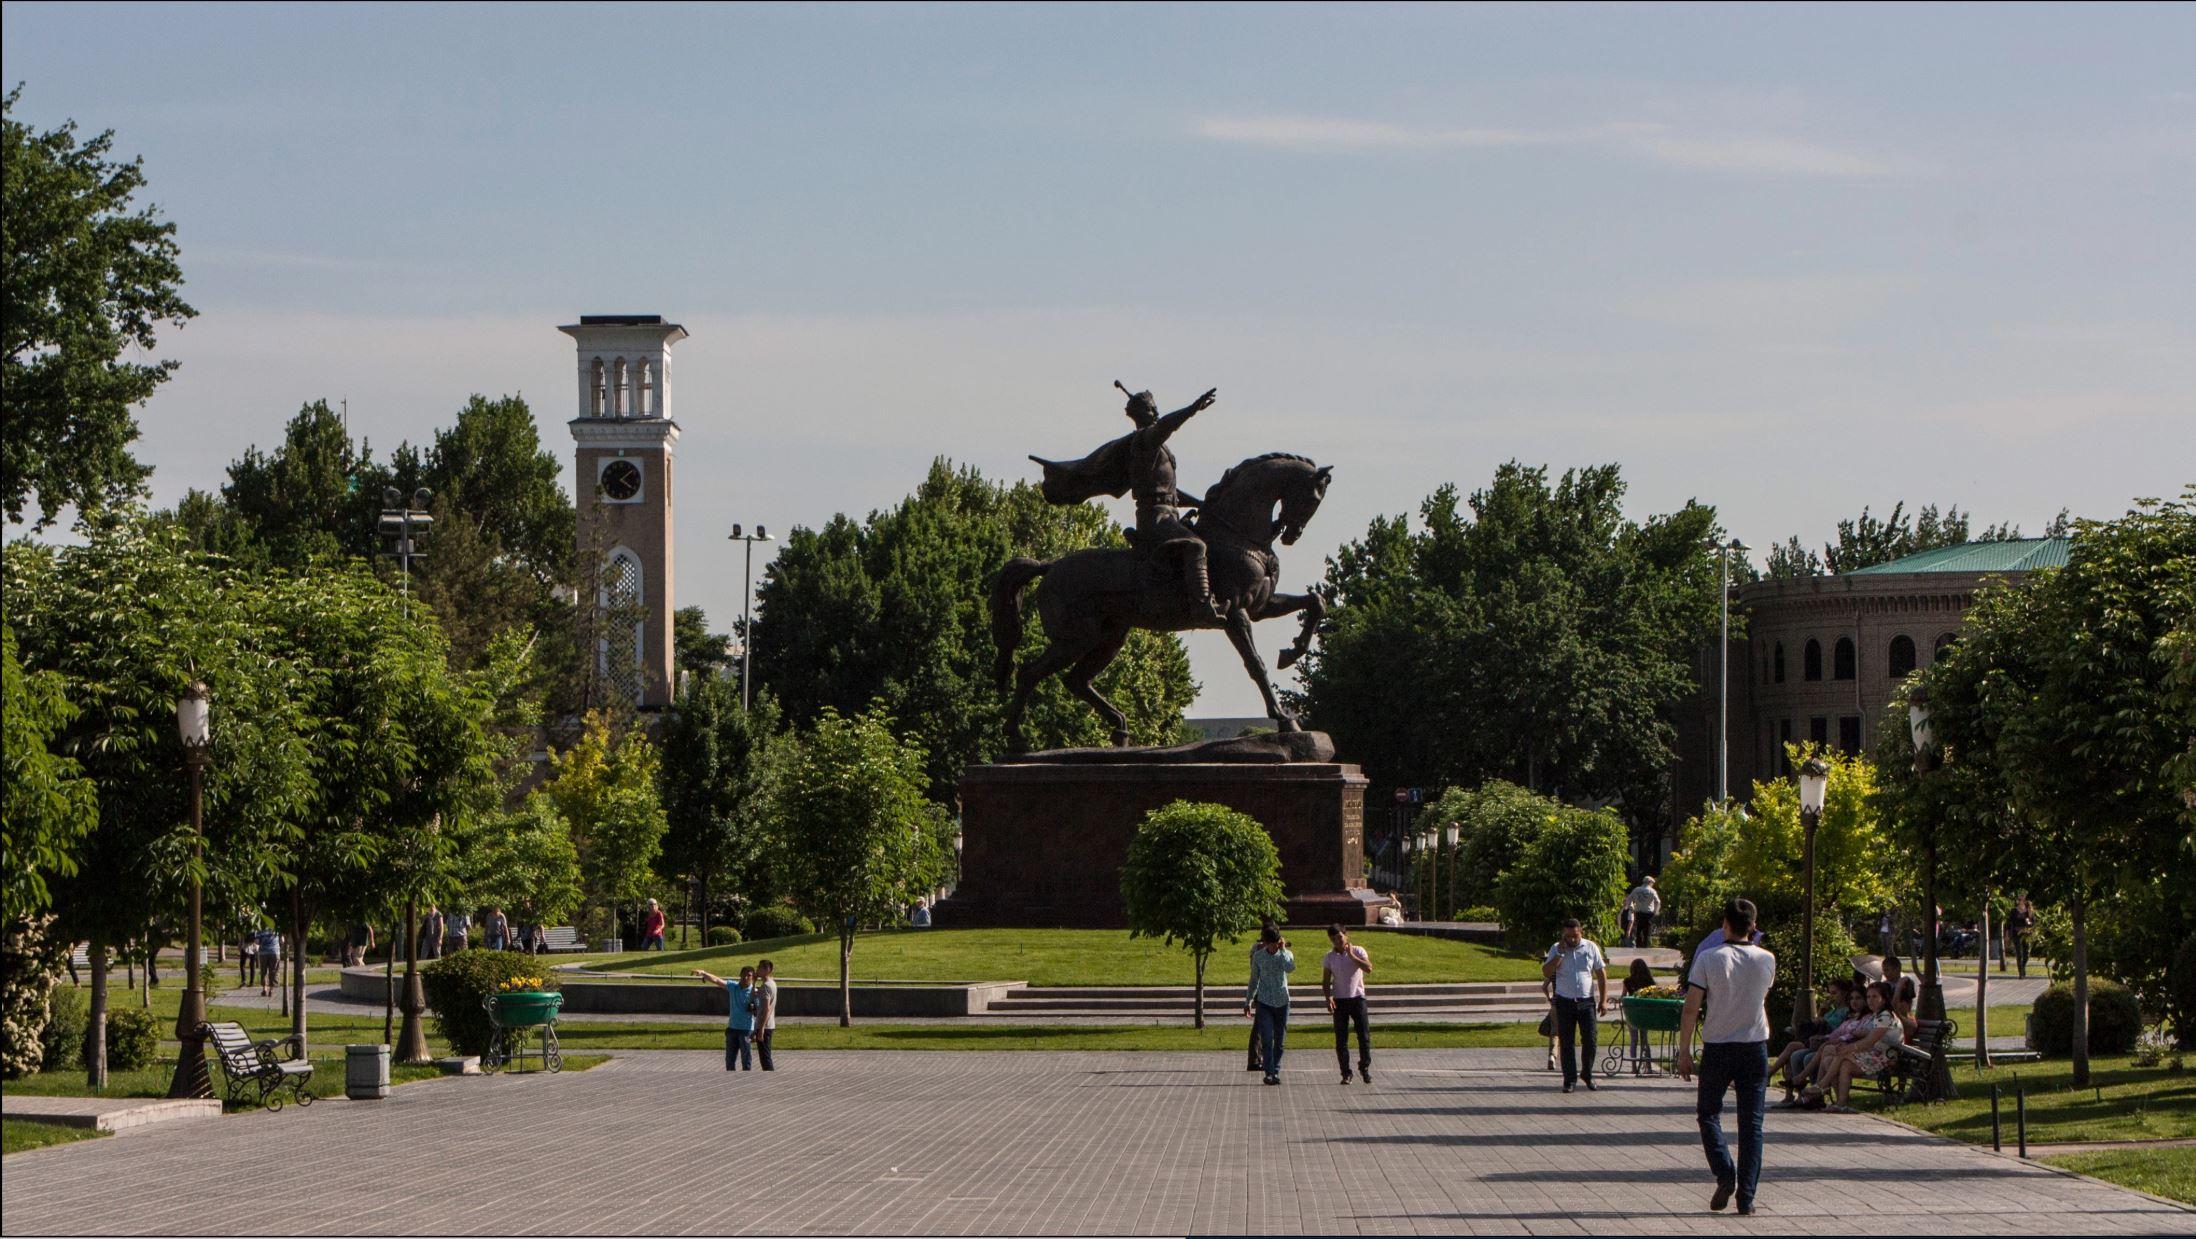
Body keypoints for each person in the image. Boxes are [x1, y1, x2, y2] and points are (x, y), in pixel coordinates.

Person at [1677, 896, 1777, 1217]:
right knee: (1752, 1124)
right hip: (1754, 1045)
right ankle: (1746, 1197)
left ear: (1725, 925)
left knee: (1708, 1112)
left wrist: (1684, 1051)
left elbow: (1692, 1007)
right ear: (1753, 926)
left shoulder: (1709, 958)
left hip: (1718, 1045)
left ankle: (1724, 1172)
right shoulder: (1766, 959)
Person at [1802, 981, 1902, 1113]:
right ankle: (1841, 1103)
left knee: (1842, 1054)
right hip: (1874, 1054)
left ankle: (1821, 1086)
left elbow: (1870, 1041)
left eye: (1874, 997)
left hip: (1885, 1057)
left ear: (1884, 999)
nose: (1870, 1000)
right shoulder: (1877, 1015)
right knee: (1839, 1063)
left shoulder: (1885, 1016)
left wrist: (1849, 1048)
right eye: (1868, 997)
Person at [1541, 918, 1607, 1093]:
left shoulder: (1591, 947)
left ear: (1581, 932)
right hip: (1565, 1002)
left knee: (1590, 1040)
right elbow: (1546, 971)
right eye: (1568, 936)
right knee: (1567, 1042)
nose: (1571, 939)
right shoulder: (1556, 948)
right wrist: (1559, 956)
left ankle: (1587, 1073)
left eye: (1575, 936)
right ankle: (1569, 1079)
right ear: (1563, 934)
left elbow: (1601, 974)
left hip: (1586, 1002)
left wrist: (1604, 999)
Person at [1242, 925, 1295, 1085]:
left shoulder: (1285, 955)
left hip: (1282, 1001)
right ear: (1264, 943)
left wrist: (1283, 950)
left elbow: (1290, 968)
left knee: (1279, 1041)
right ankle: (1269, 1072)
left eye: (1274, 942)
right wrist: (1248, 1001)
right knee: (1266, 1038)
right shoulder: (1259, 957)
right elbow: (1254, 980)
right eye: (1268, 943)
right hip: (1264, 1002)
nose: (1271, 946)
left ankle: (1276, 1070)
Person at [1322, 925, 1373, 1085]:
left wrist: (1352, 956)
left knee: (1363, 1036)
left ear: (1346, 935)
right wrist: (1328, 997)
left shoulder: (1358, 951)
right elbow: (1326, 980)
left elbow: (1368, 968)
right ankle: (1346, 1072)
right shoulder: (1329, 957)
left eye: (1339, 937)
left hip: (1357, 998)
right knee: (1341, 1039)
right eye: (1333, 939)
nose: (1337, 941)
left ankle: (1364, 1067)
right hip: (1340, 1000)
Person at [694, 965, 759, 1070]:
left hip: (746, 1030)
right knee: (729, 1059)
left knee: (746, 1060)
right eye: (744, 975)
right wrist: (703, 973)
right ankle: (729, 1080)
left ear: (753, 977)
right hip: (732, 1029)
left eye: (749, 975)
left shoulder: (755, 992)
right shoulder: (733, 987)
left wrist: (756, 1031)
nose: (746, 977)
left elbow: (758, 1012)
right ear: (740, 975)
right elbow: (717, 980)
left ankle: (746, 1081)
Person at [1621, 957, 1659, 1072]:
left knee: (1634, 1040)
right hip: (1645, 1014)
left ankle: (1633, 1066)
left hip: (1632, 1013)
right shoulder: (1650, 982)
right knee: (1644, 1040)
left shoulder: (1628, 981)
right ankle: (1648, 1066)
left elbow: (1623, 997)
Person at [753, 958, 778, 1070]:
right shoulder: (771, 983)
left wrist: (761, 1028)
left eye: (759, 967)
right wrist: (754, 981)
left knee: (765, 1056)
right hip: (768, 1024)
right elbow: (755, 993)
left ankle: (770, 1076)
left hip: (765, 1025)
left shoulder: (766, 986)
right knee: (765, 1055)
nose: (757, 969)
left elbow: (766, 1008)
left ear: (767, 970)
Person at [1623, 876, 1661, 949]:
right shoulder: (1652, 891)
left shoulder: (1637, 890)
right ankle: (1646, 947)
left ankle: (1639, 946)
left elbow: (1629, 898)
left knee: (1639, 930)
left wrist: (1630, 907)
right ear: (1650, 882)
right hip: (1648, 913)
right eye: (1652, 883)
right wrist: (1656, 911)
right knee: (1647, 931)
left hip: (1639, 912)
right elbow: (1658, 901)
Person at [2006, 893, 2038, 979]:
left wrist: (2029, 923)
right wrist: (2007, 935)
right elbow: (2009, 924)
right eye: (2019, 899)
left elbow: (2034, 923)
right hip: (2016, 933)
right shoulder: (2014, 911)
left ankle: (2023, 967)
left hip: (2026, 933)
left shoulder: (2029, 911)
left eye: (2022, 899)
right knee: (2018, 953)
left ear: (2026, 901)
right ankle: (2021, 973)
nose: (2020, 901)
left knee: (2026, 953)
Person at [255, 926, 281, 997]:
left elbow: (257, 942)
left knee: (264, 971)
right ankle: (271, 990)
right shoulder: (276, 927)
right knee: (274, 970)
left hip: (263, 953)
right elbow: (282, 940)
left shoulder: (260, 928)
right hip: (275, 952)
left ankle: (264, 989)